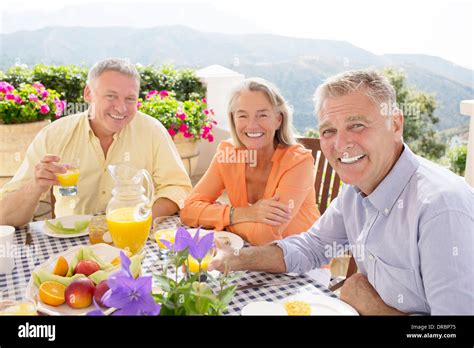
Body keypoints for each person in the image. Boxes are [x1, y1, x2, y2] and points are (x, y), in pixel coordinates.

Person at [209, 70, 474, 315]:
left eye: (357, 125)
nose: (341, 144)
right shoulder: (355, 191)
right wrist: (236, 258)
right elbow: (310, 247)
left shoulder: (442, 208)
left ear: (395, 125)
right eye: (329, 131)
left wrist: (369, 304)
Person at [0, 58, 192, 226]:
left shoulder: (152, 131)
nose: (121, 107)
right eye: (111, 96)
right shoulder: (54, 136)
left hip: (132, 237)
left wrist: (144, 218)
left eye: (130, 99)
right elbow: (5, 216)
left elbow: (177, 187)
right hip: (71, 247)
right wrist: (36, 185)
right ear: (88, 93)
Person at [180, 78, 320, 245]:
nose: (252, 125)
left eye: (262, 115)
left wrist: (219, 220)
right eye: (243, 116)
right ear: (234, 120)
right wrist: (245, 214)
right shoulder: (228, 154)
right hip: (250, 257)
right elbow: (189, 211)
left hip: (301, 264)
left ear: (278, 119)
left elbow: (265, 236)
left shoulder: (298, 162)